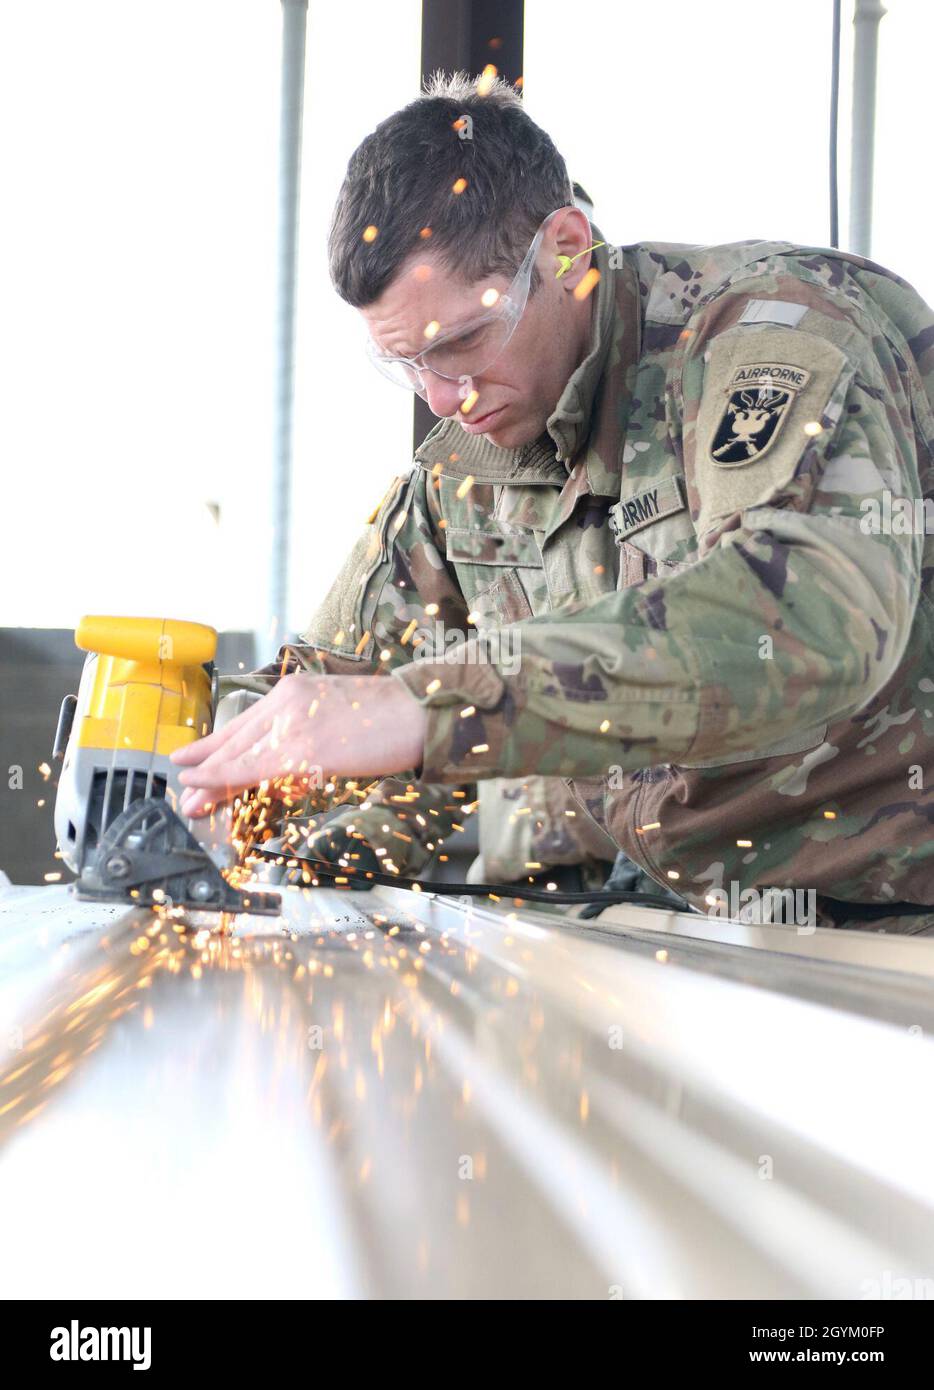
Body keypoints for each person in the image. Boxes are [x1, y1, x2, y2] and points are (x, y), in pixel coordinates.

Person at [172, 72, 934, 932]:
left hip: (892, 932)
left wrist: (432, 710)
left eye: (460, 341)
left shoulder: (764, 337)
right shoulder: (472, 462)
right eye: (404, 364)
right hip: (673, 923)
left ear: (567, 248)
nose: (442, 399)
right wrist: (199, 776)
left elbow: (812, 620)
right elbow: (333, 699)